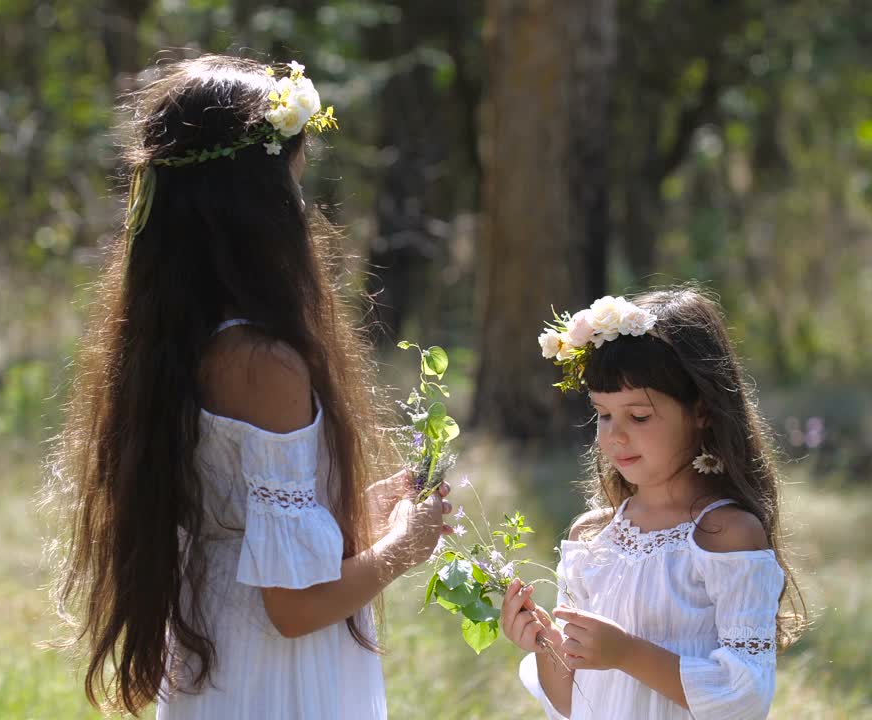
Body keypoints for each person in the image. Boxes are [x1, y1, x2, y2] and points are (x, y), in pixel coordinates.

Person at [44, 54, 452, 719]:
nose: (302, 204)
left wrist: (354, 513)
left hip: (227, 658)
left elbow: (239, 515)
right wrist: (405, 546)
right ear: (255, 202)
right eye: (293, 181)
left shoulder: (183, 334)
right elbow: (293, 607)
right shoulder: (262, 360)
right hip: (274, 675)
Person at [503, 288, 805, 719]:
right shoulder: (591, 537)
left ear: (701, 410)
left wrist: (626, 653)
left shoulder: (724, 536)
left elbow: (745, 696)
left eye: (638, 416)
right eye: (604, 414)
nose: (615, 435)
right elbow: (575, 705)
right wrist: (544, 642)